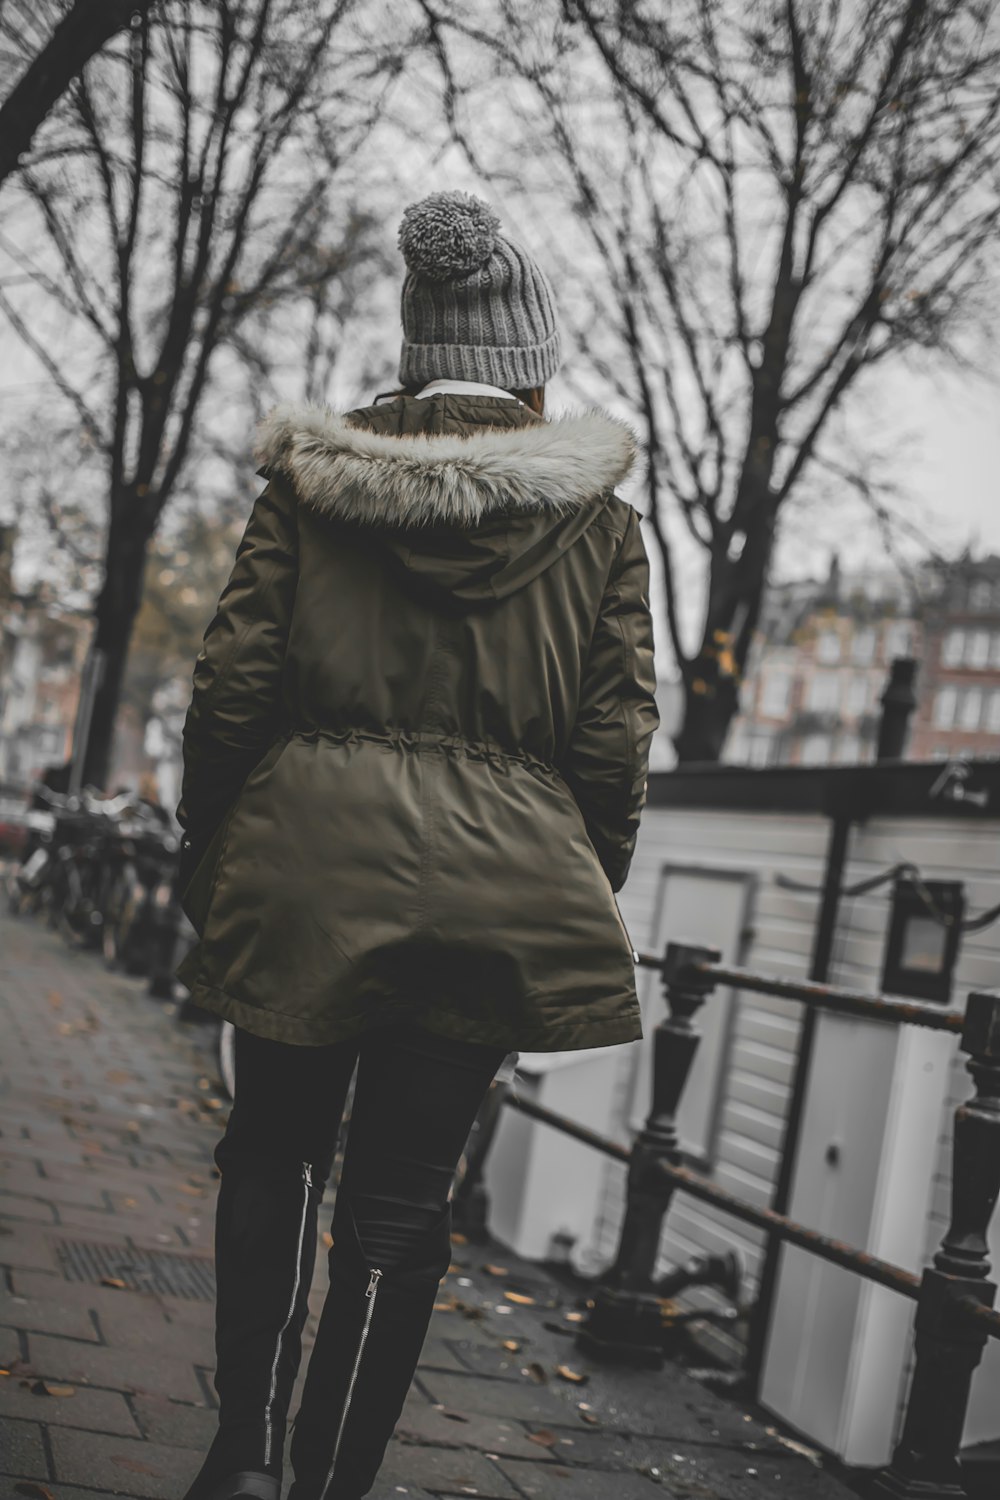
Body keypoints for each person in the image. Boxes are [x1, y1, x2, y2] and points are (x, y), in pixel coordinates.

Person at [174, 189, 658, 1500]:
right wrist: (569, 877)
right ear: (529, 363)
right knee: (401, 1206)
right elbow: (613, 746)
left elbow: (232, 685)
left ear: (416, 347)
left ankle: (243, 1456)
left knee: (271, 1148)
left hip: (302, 867)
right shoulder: (602, 522)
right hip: (502, 892)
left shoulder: (317, 485)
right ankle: (335, 1483)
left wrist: (212, 845)